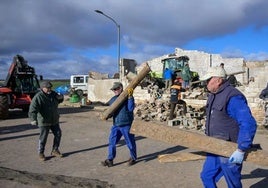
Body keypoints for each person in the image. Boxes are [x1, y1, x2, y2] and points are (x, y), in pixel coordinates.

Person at [199, 66, 257, 188]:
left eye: (208, 80)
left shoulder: (233, 97)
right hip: (214, 145)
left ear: (219, 80)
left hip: (230, 148)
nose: (205, 83)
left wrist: (241, 149)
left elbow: (248, 123)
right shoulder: (213, 95)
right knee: (207, 176)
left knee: (232, 182)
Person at [101, 82, 137, 167]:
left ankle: (133, 158)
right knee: (112, 142)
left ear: (121, 88)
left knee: (130, 142)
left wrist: (130, 97)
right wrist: (107, 115)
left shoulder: (127, 98)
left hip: (126, 124)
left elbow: (131, 108)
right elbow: (110, 110)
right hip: (116, 125)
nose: (115, 91)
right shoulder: (113, 99)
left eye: (116, 89)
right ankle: (110, 159)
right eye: (113, 89)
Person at [28, 81, 64, 161]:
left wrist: (61, 97)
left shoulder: (53, 94)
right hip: (44, 121)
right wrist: (33, 119)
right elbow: (32, 109)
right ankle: (41, 153)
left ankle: (55, 150)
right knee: (43, 137)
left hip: (54, 120)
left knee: (58, 134)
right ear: (42, 88)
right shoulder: (38, 97)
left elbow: (59, 100)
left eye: (50, 87)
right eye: (47, 88)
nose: (49, 89)